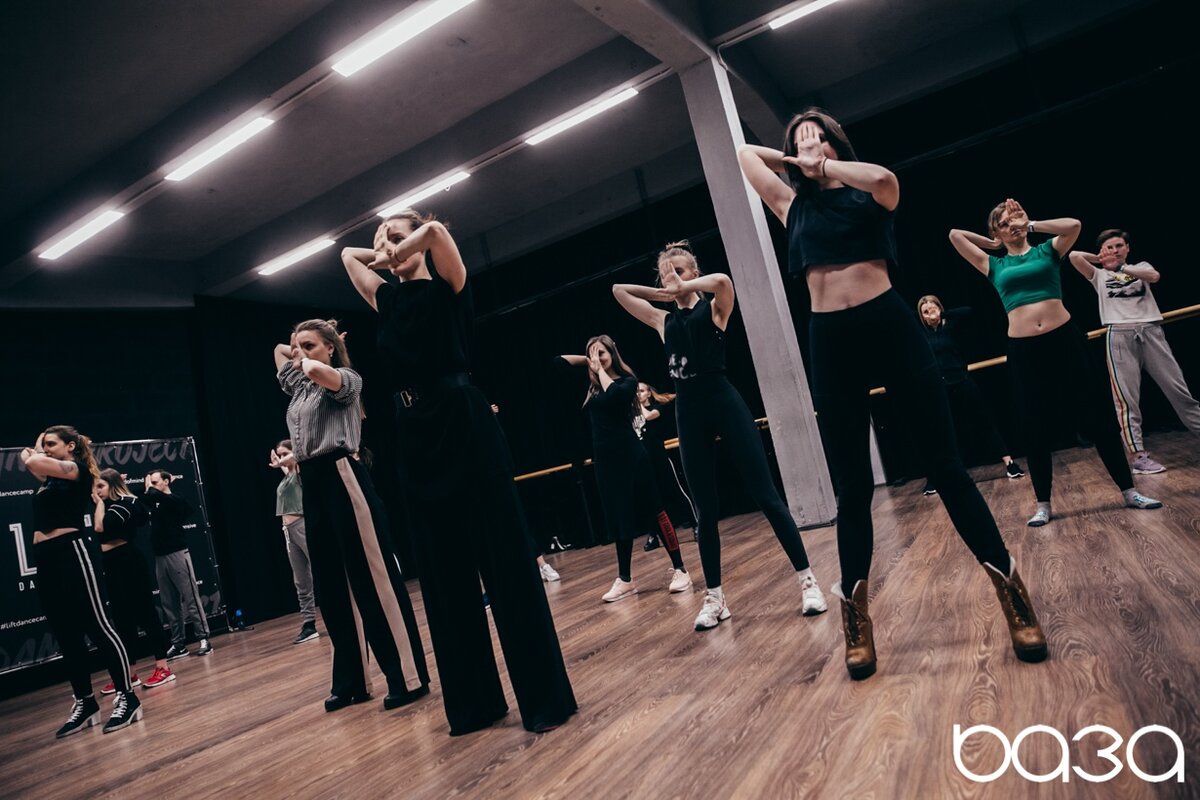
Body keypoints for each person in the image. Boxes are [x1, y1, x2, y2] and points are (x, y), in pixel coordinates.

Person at [737, 109, 1045, 678]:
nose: (810, 146)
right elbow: (744, 155)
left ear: (837, 145)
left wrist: (825, 164)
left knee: (947, 468)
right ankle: (856, 620)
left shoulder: (869, 194)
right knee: (852, 488)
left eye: (819, 137)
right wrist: (796, 161)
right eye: (801, 141)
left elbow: (884, 178)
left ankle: (1012, 592)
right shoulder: (791, 205)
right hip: (830, 339)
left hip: (889, 325)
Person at [342, 209, 576, 735]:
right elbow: (346, 257)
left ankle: (545, 701)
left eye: (395, 236)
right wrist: (385, 249)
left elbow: (439, 233)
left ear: (417, 242)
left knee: (507, 566)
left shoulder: (448, 283)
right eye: (380, 240)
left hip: (464, 423)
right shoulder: (386, 299)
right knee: (443, 576)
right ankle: (475, 706)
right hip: (414, 435)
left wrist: (405, 242)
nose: (385, 246)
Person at [613, 243, 828, 633]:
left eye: (680, 271)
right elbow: (619, 291)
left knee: (766, 495)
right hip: (689, 412)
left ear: (695, 272)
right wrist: (664, 291)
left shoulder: (713, 309)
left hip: (723, 401)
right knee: (705, 511)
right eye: (666, 273)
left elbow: (724, 282)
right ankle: (715, 598)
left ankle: (808, 581)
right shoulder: (663, 321)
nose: (673, 278)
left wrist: (684, 285)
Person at [950, 199, 1162, 527]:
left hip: (1065, 340)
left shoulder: (1047, 250)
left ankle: (1129, 490)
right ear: (997, 232)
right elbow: (954, 235)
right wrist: (992, 243)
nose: (1012, 226)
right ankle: (1043, 503)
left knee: (1098, 416)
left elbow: (1074, 225)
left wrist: (1029, 224)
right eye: (1004, 223)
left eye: (1016, 218)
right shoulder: (993, 263)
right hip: (1024, 349)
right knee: (1033, 426)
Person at [275, 320, 429, 712]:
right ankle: (352, 681)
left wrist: (311, 354)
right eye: (298, 346)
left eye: (311, 345)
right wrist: (302, 345)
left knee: (372, 578)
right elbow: (279, 352)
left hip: (343, 475)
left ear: (330, 348)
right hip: (312, 483)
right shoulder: (301, 387)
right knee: (331, 587)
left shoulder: (346, 379)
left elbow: (314, 368)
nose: (300, 352)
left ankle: (406, 676)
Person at [21, 426, 141, 737]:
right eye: (45, 443)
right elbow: (29, 460)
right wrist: (42, 445)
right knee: (66, 633)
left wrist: (38, 446)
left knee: (98, 625)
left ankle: (128, 697)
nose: (46, 448)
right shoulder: (50, 479)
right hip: (45, 557)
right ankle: (85, 703)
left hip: (70, 551)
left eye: (52, 443)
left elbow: (31, 459)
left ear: (71, 446)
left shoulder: (77, 471)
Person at [555, 338, 692, 602]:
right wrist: (587, 360)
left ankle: (680, 569)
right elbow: (558, 363)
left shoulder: (627, 382)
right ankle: (625, 579)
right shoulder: (593, 386)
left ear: (613, 353)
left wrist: (601, 369)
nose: (598, 358)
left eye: (602, 352)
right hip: (606, 462)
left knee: (656, 510)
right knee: (618, 518)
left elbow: (616, 398)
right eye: (594, 354)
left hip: (632, 456)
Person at [1069, 229, 1200, 473]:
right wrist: (1103, 260)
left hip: (1150, 331)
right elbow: (1074, 255)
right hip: (1119, 334)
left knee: (1179, 391)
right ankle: (1138, 456)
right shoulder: (1099, 274)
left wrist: (1120, 266)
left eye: (1119, 246)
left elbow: (1154, 276)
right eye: (1109, 247)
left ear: (1128, 248)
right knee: (1126, 398)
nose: (1115, 250)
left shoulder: (1140, 267)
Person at [915, 295, 1024, 495]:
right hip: (941, 389)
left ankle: (1010, 464)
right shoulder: (922, 334)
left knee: (984, 422)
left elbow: (968, 311)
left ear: (940, 308)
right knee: (942, 434)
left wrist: (942, 314)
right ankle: (935, 478)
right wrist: (928, 317)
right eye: (925, 312)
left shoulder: (951, 326)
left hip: (963, 381)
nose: (930, 313)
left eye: (933, 308)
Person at [92, 469, 176, 692]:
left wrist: (99, 504)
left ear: (112, 485)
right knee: (122, 619)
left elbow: (100, 527)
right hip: (110, 562)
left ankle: (163, 668)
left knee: (146, 614)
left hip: (128, 560)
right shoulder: (109, 504)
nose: (96, 492)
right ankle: (130, 674)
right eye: (95, 487)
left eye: (101, 486)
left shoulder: (123, 504)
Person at [141, 469, 212, 658]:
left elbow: (167, 501)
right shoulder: (155, 501)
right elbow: (140, 497)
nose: (151, 487)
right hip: (160, 557)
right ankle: (178, 643)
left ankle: (204, 638)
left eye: (155, 482)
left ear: (166, 481)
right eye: (151, 483)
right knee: (169, 603)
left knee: (190, 598)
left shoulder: (174, 500)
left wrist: (150, 489)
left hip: (178, 554)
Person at [634, 382, 697, 549]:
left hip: (660, 458)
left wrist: (637, 405)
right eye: (635, 392)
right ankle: (653, 536)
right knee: (650, 499)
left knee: (676, 491)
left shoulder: (656, 408)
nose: (638, 394)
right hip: (643, 461)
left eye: (641, 391)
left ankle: (696, 525)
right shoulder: (633, 414)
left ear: (649, 393)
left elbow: (649, 416)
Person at [269, 440, 320, 644]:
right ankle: (309, 624)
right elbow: (288, 466)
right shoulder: (289, 475)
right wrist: (281, 463)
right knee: (301, 581)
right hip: (288, 531)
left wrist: (283, 460)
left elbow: (298, 455)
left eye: (284, 453)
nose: (281, 458)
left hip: (302, 526)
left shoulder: (300, 471)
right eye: (279, 454)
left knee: (322, 570)